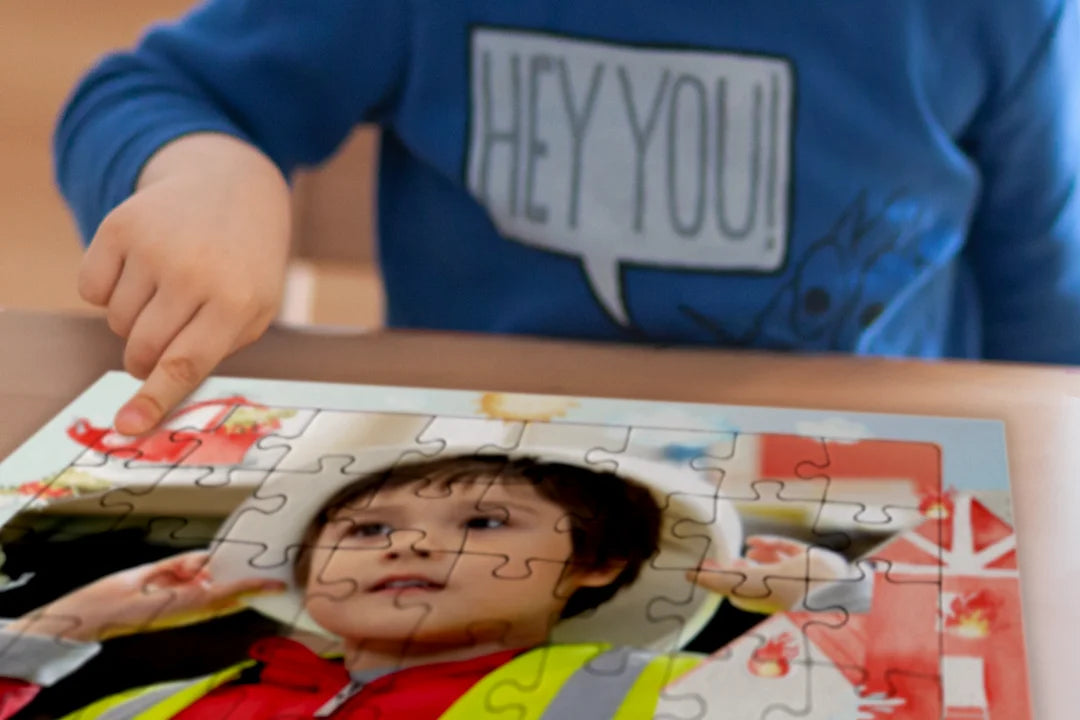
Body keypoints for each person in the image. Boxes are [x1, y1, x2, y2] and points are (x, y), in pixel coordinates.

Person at [51, 1, 1080, 437]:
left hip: (865, 474)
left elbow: (1047, 299)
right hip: (466, 470)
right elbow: (146, 91)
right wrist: (202, 170)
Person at [0, 453, 863, 719]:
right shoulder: (142, 707)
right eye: (365, 529)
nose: (407, 542)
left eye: (486, 523)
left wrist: (836, 608)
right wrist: (67, 618)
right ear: (301, 568)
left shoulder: (655, 695)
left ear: (598, 564)